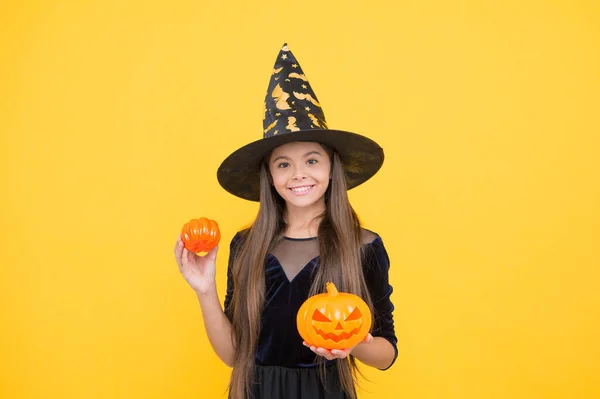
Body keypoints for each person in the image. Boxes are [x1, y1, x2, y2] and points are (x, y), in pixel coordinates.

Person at [174, 43, 397, 399]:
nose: (298, 175)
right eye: (283, 164)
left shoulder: (363, 245)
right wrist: (204, 289)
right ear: (270, 177)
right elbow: (233, 355)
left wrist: (352, 343)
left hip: (327, 391)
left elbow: (386, 354)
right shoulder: (247, 245)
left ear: (331, 168)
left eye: (311, 161)